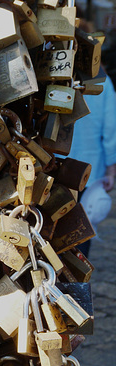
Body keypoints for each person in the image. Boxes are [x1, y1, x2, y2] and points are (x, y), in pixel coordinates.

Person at [69, 54, 116, 256]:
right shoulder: (102, 82)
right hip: (90, 168)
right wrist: (111, 169)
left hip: (57, 165)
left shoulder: (56, 77)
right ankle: (78, 279)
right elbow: (111, 129)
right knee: (82, 230)